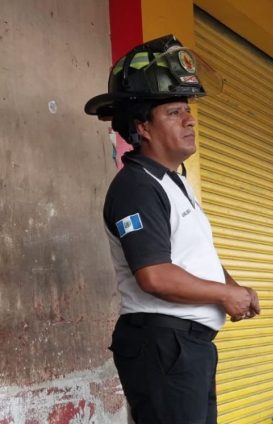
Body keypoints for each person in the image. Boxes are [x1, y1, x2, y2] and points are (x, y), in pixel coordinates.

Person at [84, 35, 260, 423]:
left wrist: (233, 288)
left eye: (188, 110)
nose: (190, 119)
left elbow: (191, 256)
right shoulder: (137, 187)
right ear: (142, 127)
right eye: (175, 112)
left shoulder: (173, 182)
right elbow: (154, 275)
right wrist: (223, 294)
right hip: (163, 345)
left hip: (184, 347)